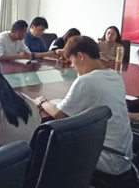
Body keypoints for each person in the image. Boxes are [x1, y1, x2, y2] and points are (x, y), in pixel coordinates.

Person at [36, 36, 133, 176]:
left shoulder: (87, 81)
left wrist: (42, 102)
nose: (72, 66)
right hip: (124, 156)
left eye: (72, 61)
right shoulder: (115, 76)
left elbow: (59, 114)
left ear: (80, 56)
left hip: (105, 157)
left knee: (46, 142)